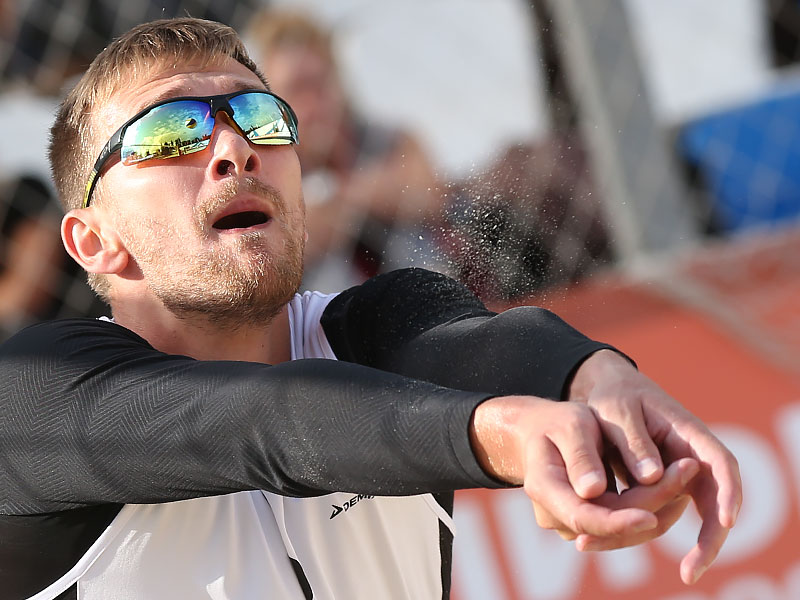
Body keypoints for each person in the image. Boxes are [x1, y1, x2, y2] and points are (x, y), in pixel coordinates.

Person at [0, 17, 740, 600]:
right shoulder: (38, 395)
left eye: (261, 118)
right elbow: (266, 420)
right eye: (170, 133)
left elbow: (482, 345)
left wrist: (596, 380)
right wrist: (505, 434)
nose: (234, 147)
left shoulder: (381, 319)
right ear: (93, 241)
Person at [245, 10, 447, 291]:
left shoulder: (386, 140)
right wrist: (370, 193)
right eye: (298, 89)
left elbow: (429, 194)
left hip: (428, 290)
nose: (314, 104)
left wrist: (335, 197)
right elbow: (280, 249)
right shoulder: (266, 172)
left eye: (320, 84)